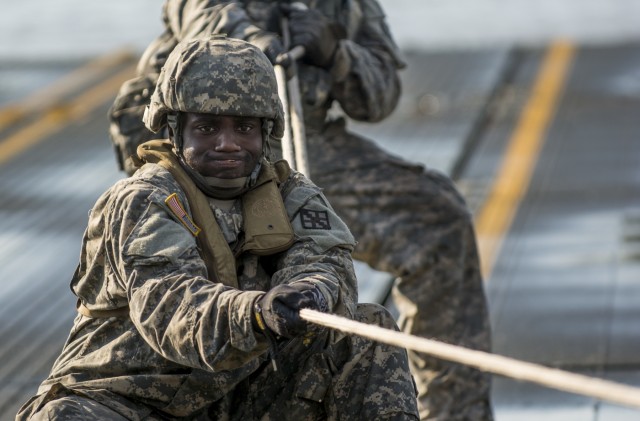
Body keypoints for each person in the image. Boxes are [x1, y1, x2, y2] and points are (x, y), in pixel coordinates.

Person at [108, 1, 494, 419]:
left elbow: (379, 97)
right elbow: (203, 17)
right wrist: (259, 49)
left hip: (290, 130)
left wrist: (335, 53)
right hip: (195, 136)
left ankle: (456, 411)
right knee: (164, 265)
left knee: (436, 221)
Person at [16, 37, 419, 420]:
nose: (227, 143)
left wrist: (310, 291)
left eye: (244, 128)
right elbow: (173, 309)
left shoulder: (293, 195)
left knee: (370, 331)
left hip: (234, 398)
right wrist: (257, 312)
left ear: (265, 132)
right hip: (127, 399)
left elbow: (329, 268)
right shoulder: (142, 199)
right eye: (207, 128)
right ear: (175, 131)